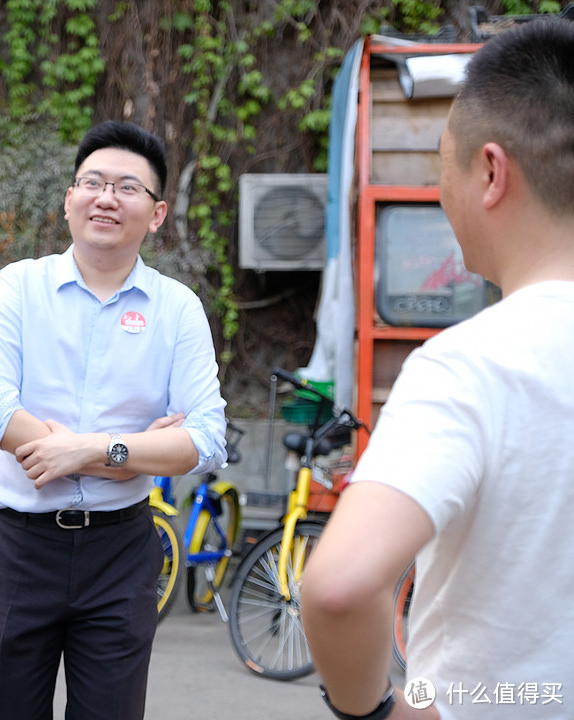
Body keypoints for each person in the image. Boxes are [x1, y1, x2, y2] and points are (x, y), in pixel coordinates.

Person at [300, 18, 574, 720]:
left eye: (441, 163)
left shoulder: (472, 365)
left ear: (490, 172)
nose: (439, 187)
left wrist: (377, 712)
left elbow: (339, 586)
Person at [0, 120, 228, 720]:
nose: (107, 197)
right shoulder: (20, 286)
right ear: (70, 200)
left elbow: (206, 439)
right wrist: (137, 449)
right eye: (93, 183)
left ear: (156, 214)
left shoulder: (177, 309)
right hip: (20, 548)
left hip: (120, 550)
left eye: (128, 188)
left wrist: (90, 452)